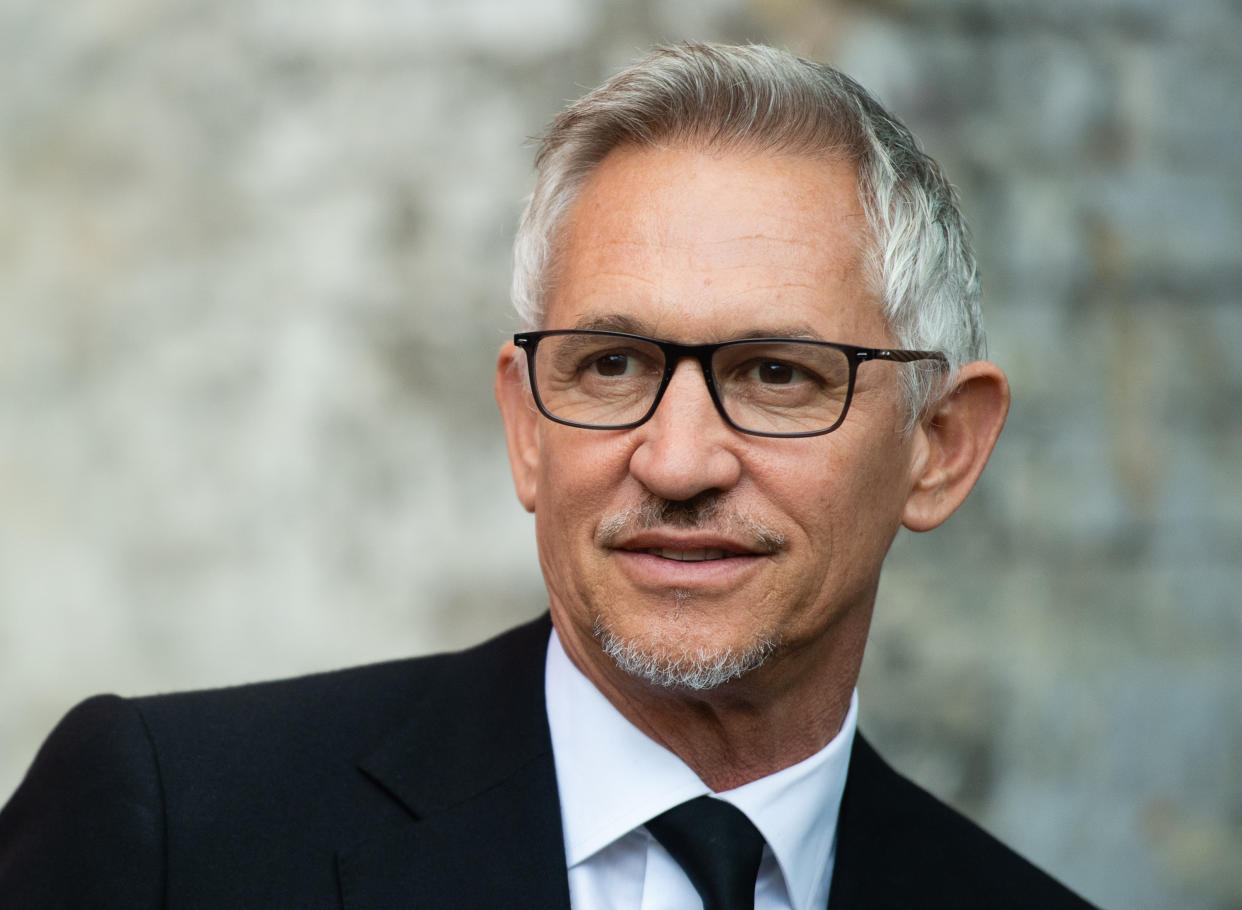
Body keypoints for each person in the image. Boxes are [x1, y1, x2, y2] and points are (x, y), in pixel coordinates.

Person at [0, 42, 1095, 909]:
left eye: (775, 374)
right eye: (612, 366)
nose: (676, 461)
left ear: (940, 446)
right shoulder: (178, 837)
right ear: (527, 427)